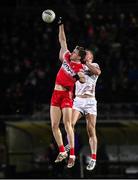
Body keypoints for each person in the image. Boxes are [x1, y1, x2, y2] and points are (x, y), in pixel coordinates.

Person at [50, 17, 86, 168]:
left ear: (79, 56)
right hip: (55, 93)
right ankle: (62, 151)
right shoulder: (66, 57)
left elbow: (83, 79)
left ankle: (72, 155)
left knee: (67, 125)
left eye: (76, 51)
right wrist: (60, 25)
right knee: (54, 125)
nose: (73, 51)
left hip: (66, 95)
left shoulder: (79, 67)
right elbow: (62, 40)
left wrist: (78, 77)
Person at [68, 50, 101, 170]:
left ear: (91, 56)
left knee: (91, 130)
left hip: (91, 102)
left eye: (86, 53)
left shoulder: (94, 65)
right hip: (79, 101)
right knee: (70, 124)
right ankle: (70, 145)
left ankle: (93, 158)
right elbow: (71, 78)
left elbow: (97, 72)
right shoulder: (78, 66)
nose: (84, 55)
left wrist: (87, 63)